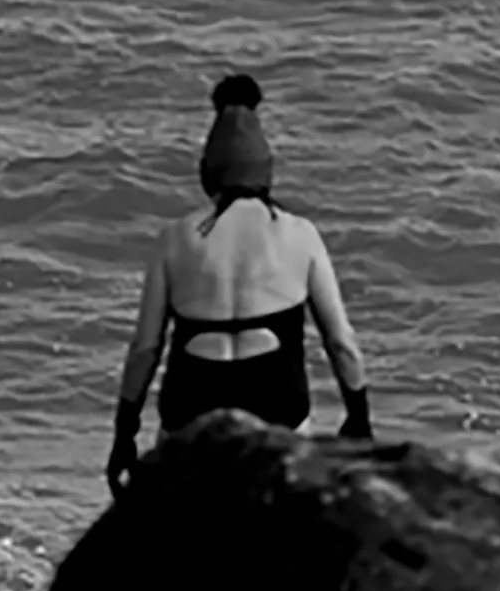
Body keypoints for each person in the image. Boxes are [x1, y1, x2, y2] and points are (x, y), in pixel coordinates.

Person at [105, 73, 371, 496]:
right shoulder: (301, 235)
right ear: (266, 170)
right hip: (276, 407)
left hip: (191, 410)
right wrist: (359, 417)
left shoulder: (175, 239)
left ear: (208, 171)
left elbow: (145, 350)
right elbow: (342, 344)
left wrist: (125, 433)